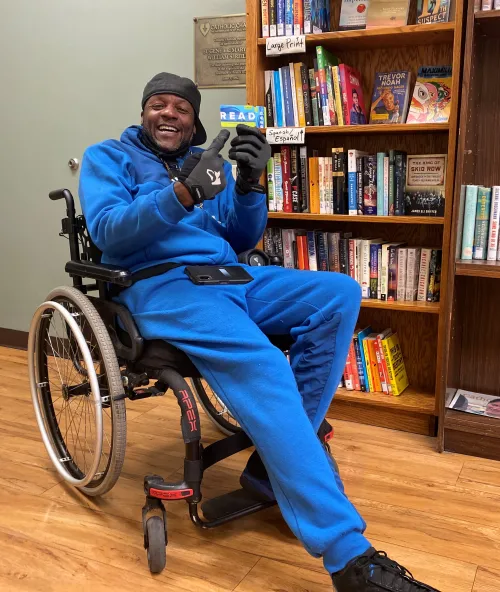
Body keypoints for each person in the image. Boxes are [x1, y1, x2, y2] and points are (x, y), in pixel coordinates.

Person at [79, 72, 439, 592]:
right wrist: (180, 194)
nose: (169, 115)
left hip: (231, 277)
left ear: (194, 121)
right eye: (158, 105)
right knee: (266, 364)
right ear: (143, 112)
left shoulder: (210, 165)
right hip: (164, 287)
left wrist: (248, 183)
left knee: (338, 294)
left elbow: (242, 234)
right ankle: (347, 555)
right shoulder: (107, 157)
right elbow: (109, 229)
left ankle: (273, 466)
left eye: (181, 108)